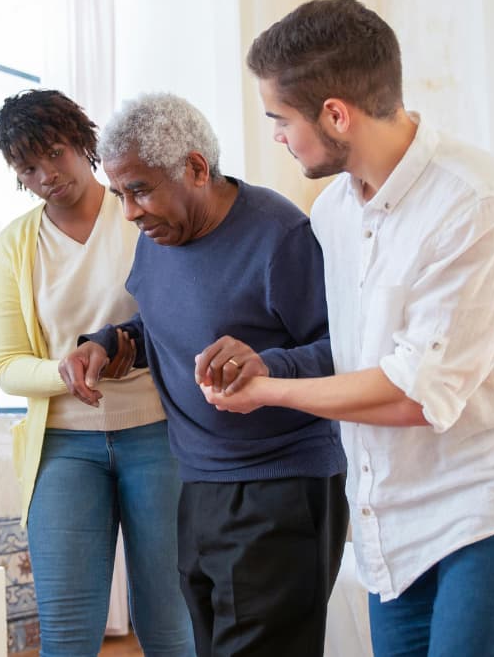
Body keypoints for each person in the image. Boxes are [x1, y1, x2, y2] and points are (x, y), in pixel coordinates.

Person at [199, 0, 494, 656]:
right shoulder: (333, 212)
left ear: (336, 113)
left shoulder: (478, 202)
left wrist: (269, 393)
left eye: (280, 119)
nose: (278, 137)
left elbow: (412, 393)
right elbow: (353, 359)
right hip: (389, 525)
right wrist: (268, 363)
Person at [58, 92, 349, 657]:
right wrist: (108, 344)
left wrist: (269, 365)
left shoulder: (279, 236)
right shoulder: (159, 237)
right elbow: (162, 324)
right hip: (196, 484)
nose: (130, 213)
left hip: (281, 486)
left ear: (195, 168)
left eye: (139, 190)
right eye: (120, 194)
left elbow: (347, 349)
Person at [0, 89, 194, 657]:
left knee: (171, 623)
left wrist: (131, 346)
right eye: (28, 167)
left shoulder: (139, 215)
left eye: (55, 153)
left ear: (83, 143)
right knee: (68, 631)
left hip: (158, 433)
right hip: (63, 447)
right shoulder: (14, 247)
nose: (47, 174)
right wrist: (66, 369)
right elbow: (6, 365)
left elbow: (186, 315)